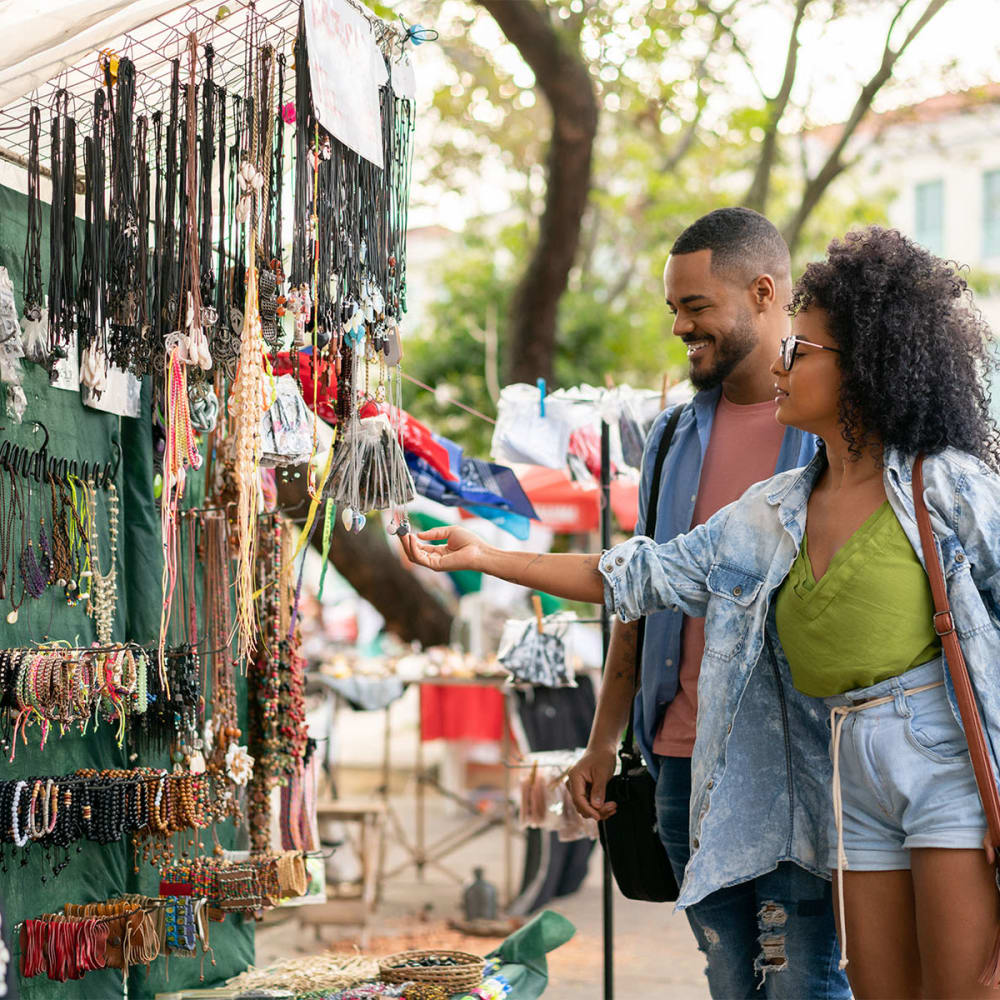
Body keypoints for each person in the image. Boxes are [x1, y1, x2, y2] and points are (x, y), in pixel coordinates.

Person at [401, 226, 1000, 998]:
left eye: (802, 352)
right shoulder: (774, 507)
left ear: (863, 370)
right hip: (843, 763)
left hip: (942, 755)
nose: (784, 362)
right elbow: (639, 575)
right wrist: (485, 553)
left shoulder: (940, 486)